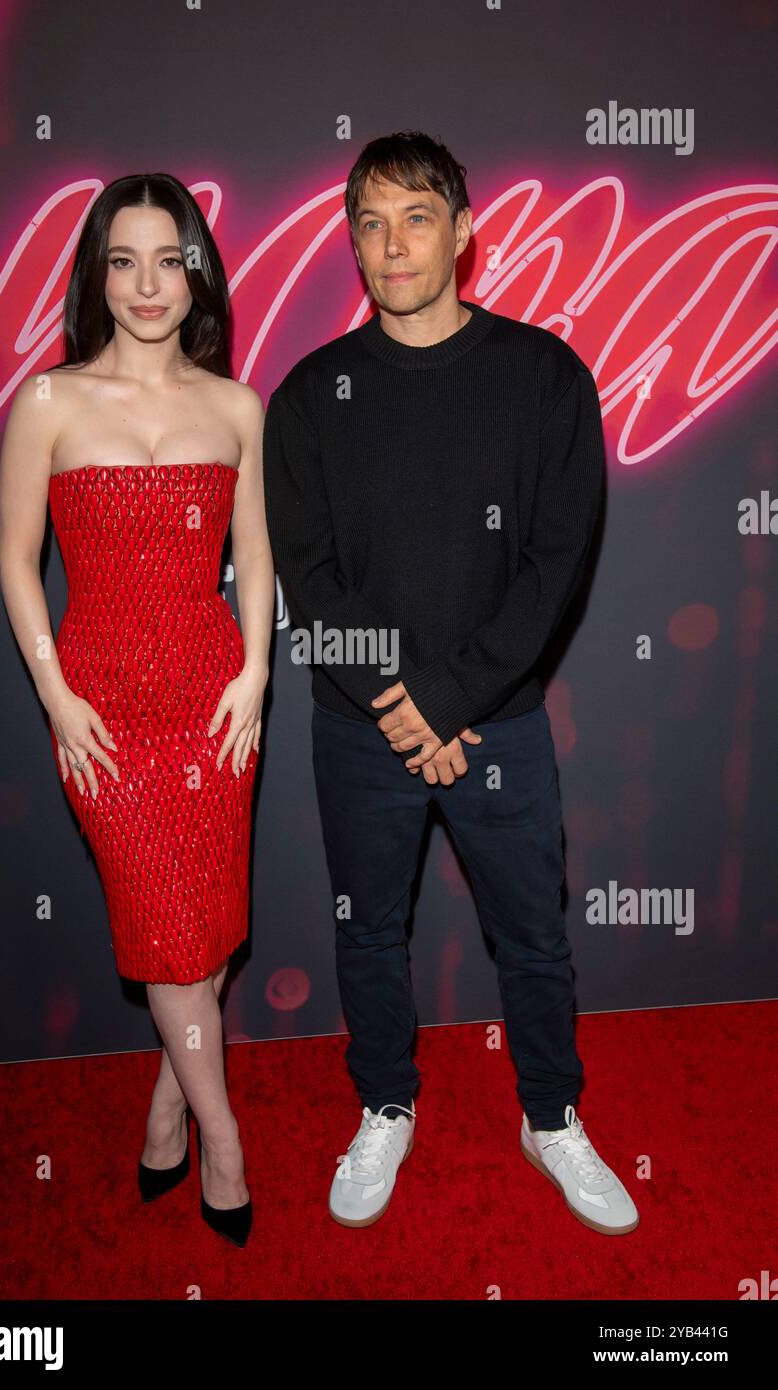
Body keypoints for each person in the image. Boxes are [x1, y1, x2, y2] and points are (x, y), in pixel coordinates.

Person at [263, 131, 639, 1235]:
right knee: (367, 930)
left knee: (532, 933)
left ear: (462, 231)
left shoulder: (543, 377)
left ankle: (549, 1114)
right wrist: (402, 704)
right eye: (369, 223)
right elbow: (310, 581)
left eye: (414, 217)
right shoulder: (307, 395)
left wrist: (451, 699)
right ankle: (386, 1100)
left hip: (499, 726)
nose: (391, 244)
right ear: (351, 242)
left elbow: (552, 569)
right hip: (357, 726)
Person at [0, 173, 274, 1248]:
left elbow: (253, 559)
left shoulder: (235, 404)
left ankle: (166, 1114)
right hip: (103, 710)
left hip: (214, 705)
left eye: (169, 258)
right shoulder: (50, 403)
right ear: (97, 274)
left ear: (195, 270)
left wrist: (253, 674)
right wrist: (57, 695)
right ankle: (224, 1137)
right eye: (124, 260)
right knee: (167, 937)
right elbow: (18, 566)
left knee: (198, 946)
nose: (148, 283)